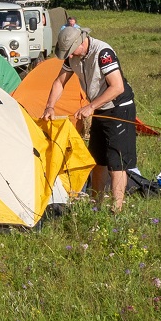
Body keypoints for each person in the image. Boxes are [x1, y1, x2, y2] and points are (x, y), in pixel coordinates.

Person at [40, 26, 138, 212]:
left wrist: (91, 106)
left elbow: (117, 87)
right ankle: (96, 206)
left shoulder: (103, 53)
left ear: (81, 43)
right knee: (97, 158)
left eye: (70, 51)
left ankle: (116, 209)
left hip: (118, 109)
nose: (69, 55)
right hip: (99, 108)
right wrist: (50, 106)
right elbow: (60, 82)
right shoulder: (73, 57)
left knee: (116, 162)